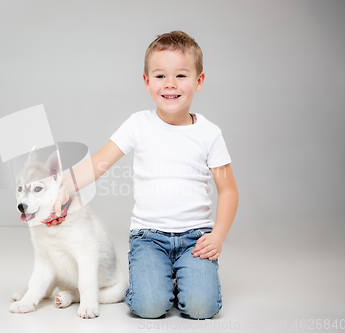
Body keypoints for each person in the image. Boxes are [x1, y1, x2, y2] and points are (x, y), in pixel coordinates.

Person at [50, 31, 238, 319]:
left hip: (195, 238)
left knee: (203, 308)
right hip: (149, 238)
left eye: (182, 76)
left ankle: (180, 276)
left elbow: (228, 190)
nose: (171, 84)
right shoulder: (138, 124)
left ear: (199, 81)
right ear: (146, 81)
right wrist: (66, 186)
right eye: (160, 76)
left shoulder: (210, 134)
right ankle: (157, 277)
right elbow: (100, 162)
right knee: (149, 307)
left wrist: (219, 235)